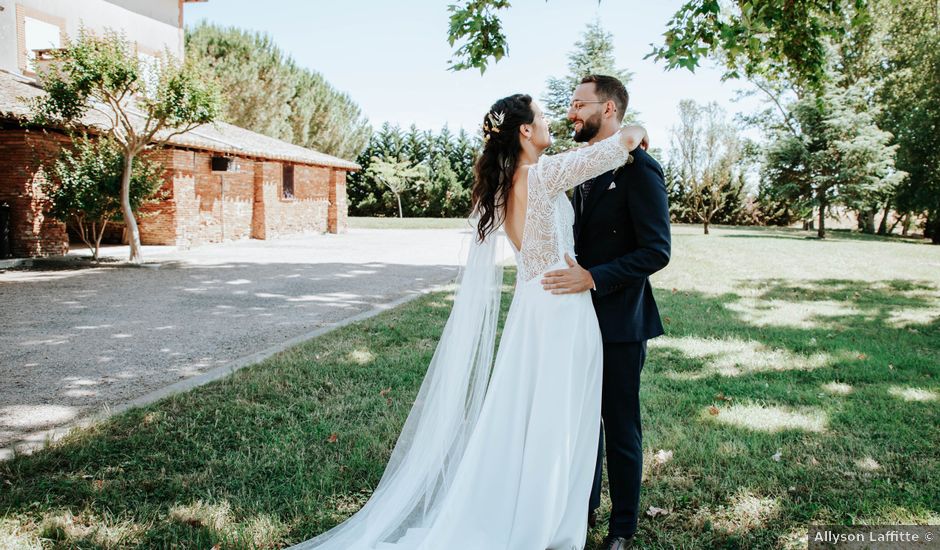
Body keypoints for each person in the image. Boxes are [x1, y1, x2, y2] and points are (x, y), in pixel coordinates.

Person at [288, 94, 647, 550]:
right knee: (554, 418)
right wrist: (637, 130)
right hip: (559, 309)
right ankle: (544, 524)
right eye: (541, 116)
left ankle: (536, 512)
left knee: (531, 417)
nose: (549, 121)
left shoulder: (512, 180)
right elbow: (624, 142)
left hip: (534, 307)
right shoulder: (541, 175)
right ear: (523, 130)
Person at [541, 75, 671, 550]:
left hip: (619, 321)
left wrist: (593, 277)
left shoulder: (640, 168)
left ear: (609, 109)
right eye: (570, 104)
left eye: (579, 104)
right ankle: (581, 511)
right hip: (575, 319)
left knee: (619, 426)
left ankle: (621, 529)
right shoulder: (581, 166)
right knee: (580, 422)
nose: (571, 112)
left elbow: (657, 251)